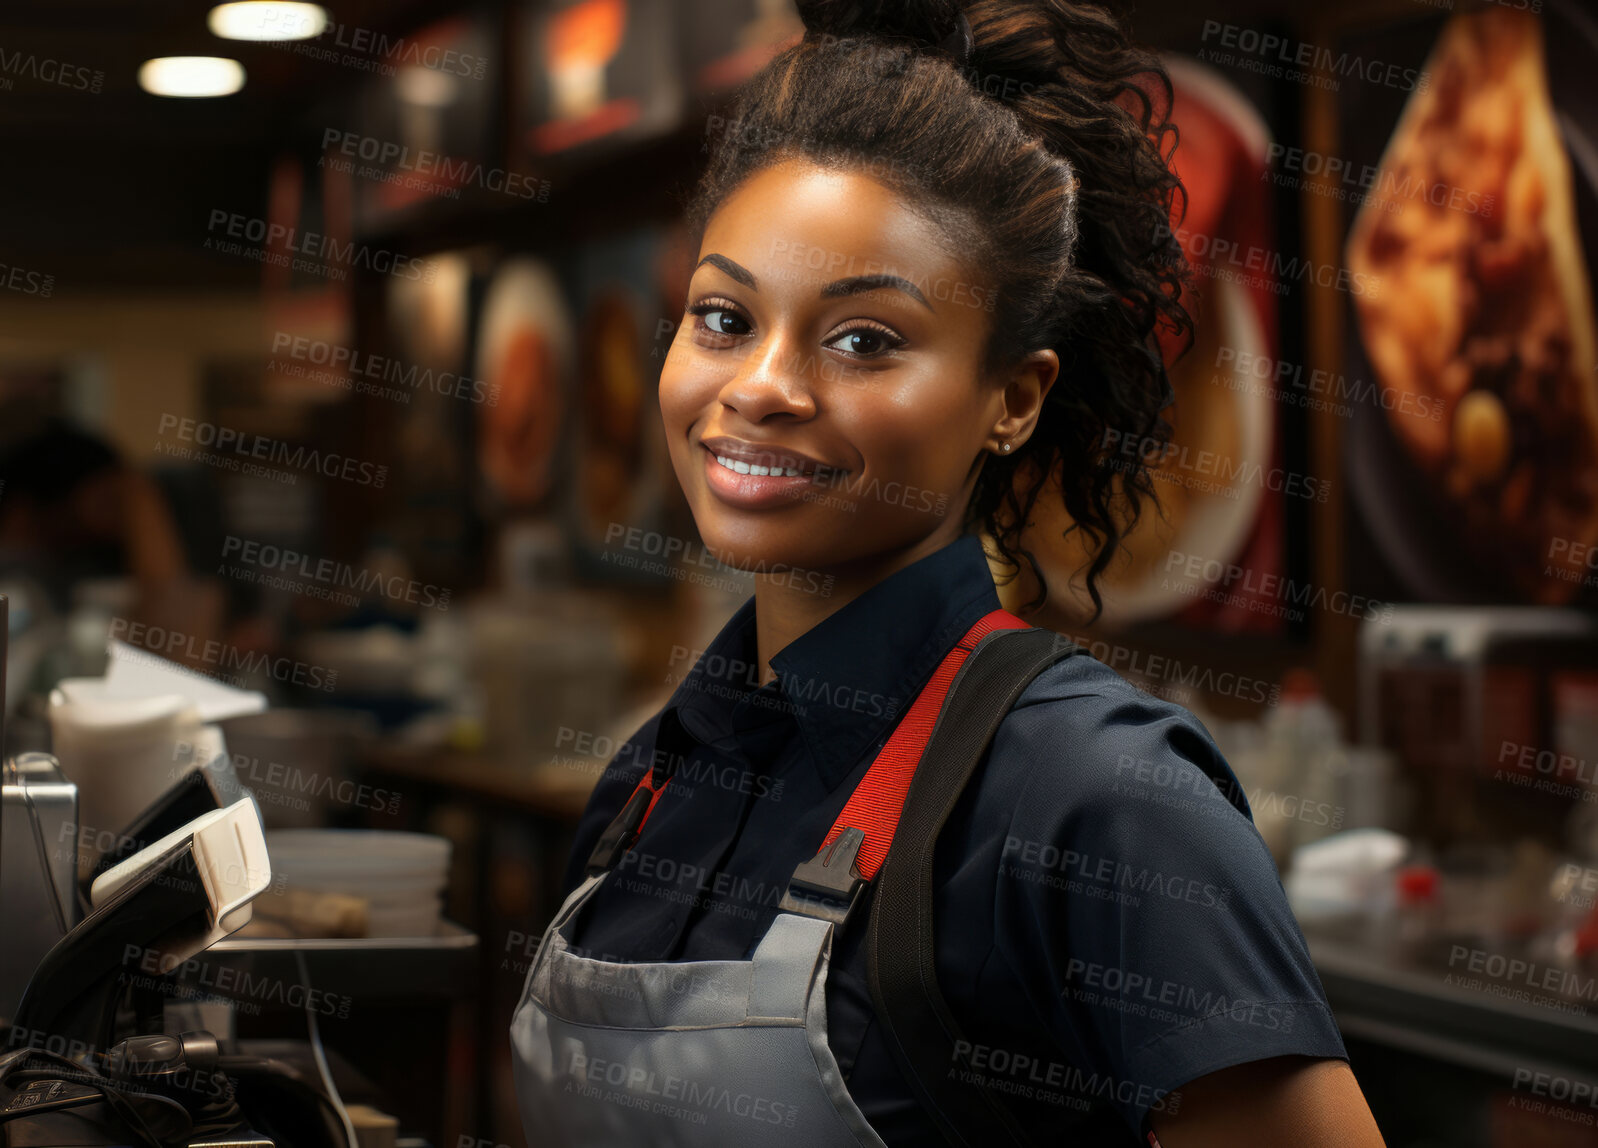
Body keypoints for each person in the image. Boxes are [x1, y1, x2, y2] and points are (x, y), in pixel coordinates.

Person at [510, 1, 1387, 1144]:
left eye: (863, 338)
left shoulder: (1100, 797)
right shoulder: (655, 777)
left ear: (1012, 400)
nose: (761, 385)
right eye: (722, 316)